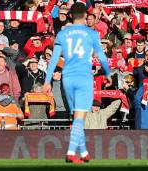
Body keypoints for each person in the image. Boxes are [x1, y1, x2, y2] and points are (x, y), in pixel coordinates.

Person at [43, 3, 111, 163]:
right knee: (80, 116)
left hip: (67, 77)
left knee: (77, 116)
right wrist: (107, 72)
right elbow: (101, 55)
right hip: (84, 77)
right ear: (85, 15)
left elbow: (54, 58)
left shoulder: (63, 33)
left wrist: (47, 80)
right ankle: (71, 152)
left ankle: (85, 152)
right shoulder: (91, 33)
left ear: (71, 15)